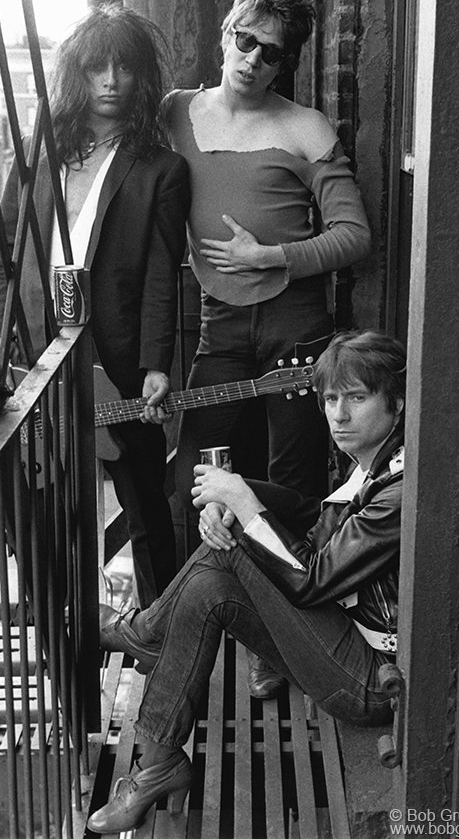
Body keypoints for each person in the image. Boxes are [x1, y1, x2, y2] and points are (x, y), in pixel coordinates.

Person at [88, 330, 404, 834]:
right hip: (342, 640)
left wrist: (240, 502)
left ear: (397, 402)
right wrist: (236, 495)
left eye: (358, 398)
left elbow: (312, 580)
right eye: (330, 399)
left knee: (231, 553)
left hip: (370, 684)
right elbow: (309, 517)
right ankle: (159, 759)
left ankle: (148, 636)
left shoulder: (399, 490)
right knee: (214, 579)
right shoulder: (375, 461)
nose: (339, 415)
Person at [0, 3, 191, 607]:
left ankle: (164, 634)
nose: (109, 81)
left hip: (119, 360)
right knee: (34, 499)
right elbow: (2, 251)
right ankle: (56, 618)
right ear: (75, 73)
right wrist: (2, 336)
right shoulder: (34, 151)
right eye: (96, 67)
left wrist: (157, 364)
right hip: (34, 355)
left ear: (140, 77)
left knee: (146, 506)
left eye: (123, 68)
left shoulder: (161, 169)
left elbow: (161, 274)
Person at [163, 0, 371, 509]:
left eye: (271, 52)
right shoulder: (175, 113)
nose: (253, 59)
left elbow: (354, 236)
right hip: (219, 324)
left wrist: (270, 256)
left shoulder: (307, 126)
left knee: (295, 486)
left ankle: (289, 594)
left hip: (296, 329)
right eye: (245, 39)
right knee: (197, 480)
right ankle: (216, 595)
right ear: (227, 32)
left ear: (286, 63)